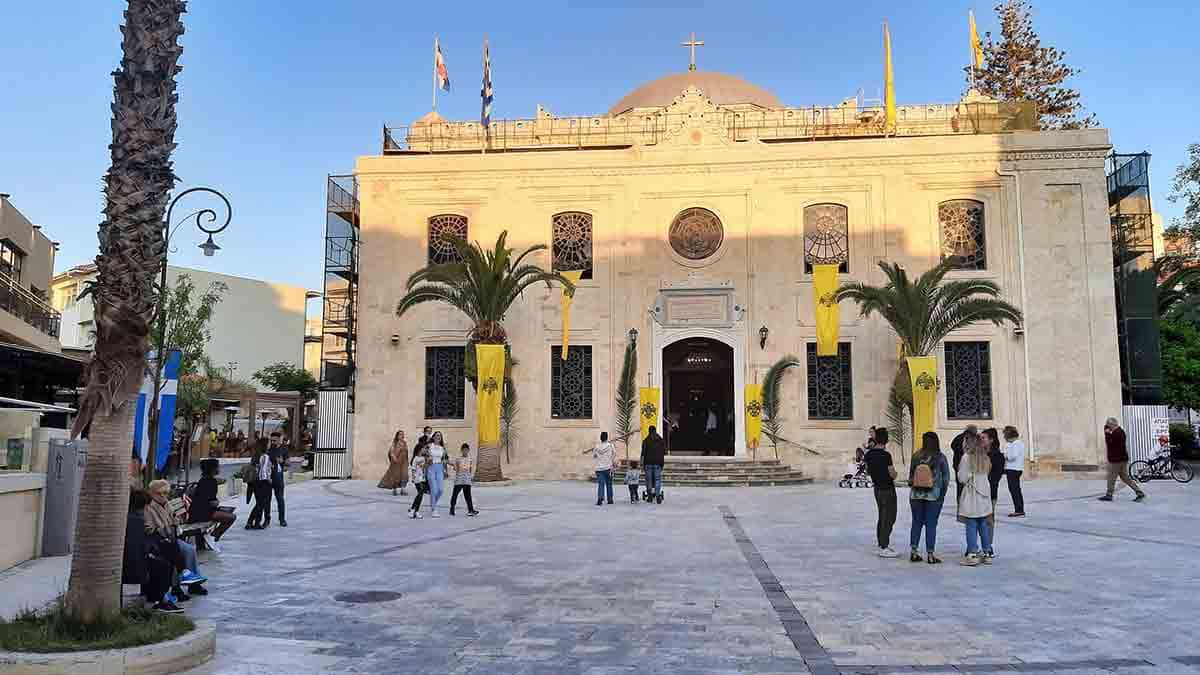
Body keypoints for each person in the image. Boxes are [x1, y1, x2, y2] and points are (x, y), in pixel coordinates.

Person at [144, 479, 208, 599]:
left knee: (189, 550)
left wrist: (173, 528)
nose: (163, 496)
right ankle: (176, 587)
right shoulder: (148, 507)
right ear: (151, 493)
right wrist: (168, 529)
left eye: (165, 493)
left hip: (171, 537)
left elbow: (175, 520)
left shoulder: (166, 504)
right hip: (157, 540)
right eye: (159, 493)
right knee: (172, 552)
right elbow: (149, 529)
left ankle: (193, 584)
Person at [125, 488, 182, 613]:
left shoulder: (132, 517)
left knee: (168, 555)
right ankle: (158, 600)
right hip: (134, 565)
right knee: (164, 565)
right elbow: (141, 545)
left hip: (135, 560)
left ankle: (163, 599)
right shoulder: (137, 520)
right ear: (144, 505)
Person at [908, 431, 950, 564]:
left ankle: (914, 552)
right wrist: (942, 494)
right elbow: (946, 478)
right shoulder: (940, 457)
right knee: (931, 524)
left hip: (915, 495)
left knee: (916, 522)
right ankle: (930, 555)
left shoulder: (916, 456)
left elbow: (910, 477)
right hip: (934, 495)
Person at [956, 430, 994, 566]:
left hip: (972, 493)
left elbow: (962, 477)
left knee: (971, 524)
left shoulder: (967, 457)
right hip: (984, 494)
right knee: (983, 523)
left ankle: (972, 553)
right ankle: (987, 552)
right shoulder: (985, 457)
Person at [864, 427, 898, 557]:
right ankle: (884, 545)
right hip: (887, 488)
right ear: (886, 440)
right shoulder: (886, 455)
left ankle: (881, 542)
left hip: (877, 488)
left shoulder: (869, 455)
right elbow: (892, 474)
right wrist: (895, 474)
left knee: (882, 515)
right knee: (889, 516)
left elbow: (867, 471)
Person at [1100, 417, 1146, 502]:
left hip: (1116, 460)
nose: (1108, 427)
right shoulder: (1119, 431)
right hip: (1122, 459)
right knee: (1125, 478)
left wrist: (1107, 434)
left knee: (1111, 477)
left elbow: (1109, 443)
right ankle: (1139, 492)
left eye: (1108, 425)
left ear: (1112, 424)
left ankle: (1109, 495)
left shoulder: (1117, 433)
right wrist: (1107, 430)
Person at [189, 458, 236, 541]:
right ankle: (214, 537)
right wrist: (217, 503)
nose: (219, 469)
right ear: (212, 469)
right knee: (231, 517)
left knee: (227, 513)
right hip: (202, 514)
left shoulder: (204, 480)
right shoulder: (211, 482)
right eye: (218, 467)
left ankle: (213, 537)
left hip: (198, 512)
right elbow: (211, 502)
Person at [982, 427, 1004, 557]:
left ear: (991, 440)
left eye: (983, 438)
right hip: (976, 493)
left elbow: (996, 477)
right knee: (975, 521)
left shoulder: (997, 456)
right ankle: (974, 545)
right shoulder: (977, 454)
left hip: (990, 493)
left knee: (988, 520)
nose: (981, 440)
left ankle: (988, 546)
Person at [585, 431, 615, 506]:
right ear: (607, 438)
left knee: (601, 484)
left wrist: (599, 455)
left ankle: (600, 498)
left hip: (599, 468)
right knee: (609, 484)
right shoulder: (611, 446)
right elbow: (614, 454)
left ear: (600, 438)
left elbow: (594, 456)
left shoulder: (596, 446)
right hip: (608, 467)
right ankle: (610, 499)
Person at [1002, 426, 1026, 517]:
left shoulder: (1015, 444)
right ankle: (1019, 509)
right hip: (1016, 469)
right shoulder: (1018, 443)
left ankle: (1019, 510)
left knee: (1014, 490)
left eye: (1005, 435)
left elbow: (1013, 456)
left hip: (1013, 469)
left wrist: (1005, 455)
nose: (1004, 437)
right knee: (1016, 490)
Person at [951, 424, 979, 505]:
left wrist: (958, 453)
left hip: (959, 464)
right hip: (967, 464)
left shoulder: (959, 437)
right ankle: (967, 503)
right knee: (970, 484)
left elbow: (952, 445)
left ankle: (960, 504)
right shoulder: (975, 438)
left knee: (960, 485)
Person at [246, 445, 273, 529]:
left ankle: (253, 522)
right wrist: (268, 479)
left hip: (254, 483)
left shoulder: (255, 456)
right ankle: (253, 522)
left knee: (259, 503)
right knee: (261, 503)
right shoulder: (265, 456)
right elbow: (264, 471)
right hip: (263, 482)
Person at [449, 443, 478, 517]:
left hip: (467, 480)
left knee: (468, 496)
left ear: (468, 450)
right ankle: (452, 508)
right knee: (455, 495)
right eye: (464, 450)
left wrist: (469, 477)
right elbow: (455, 468)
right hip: (459, 480)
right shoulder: (458, 459)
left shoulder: (470, 459)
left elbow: (470, 469)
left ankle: (470, 510)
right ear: (461, 450)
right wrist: (455, 467)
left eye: (466, 450)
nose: (465, 451)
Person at [378, 429, 410, 496]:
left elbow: (406, 452)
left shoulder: (404, 443)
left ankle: (403, 490)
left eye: (403, 434)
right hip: (396, 462)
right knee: (396, 476)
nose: (402, 436)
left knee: (404, 475)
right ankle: (395, 489)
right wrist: (394, 458)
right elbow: (391, 452)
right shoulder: (394, 443)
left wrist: (407, 461)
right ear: (397, 436)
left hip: (404, 462)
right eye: (400, 434)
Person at [267, 432, 288, 527]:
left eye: (274, 440)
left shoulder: (284, 449)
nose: (272, 442)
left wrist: (282, 461)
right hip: (268, 478)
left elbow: (288, 463)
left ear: (279, 439)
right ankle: (267, 520)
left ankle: (282, 519)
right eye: (271, 440)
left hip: (278, 477)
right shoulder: (268, 449)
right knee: (266, 500)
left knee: (280, 499)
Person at [640, 426, 666, 504]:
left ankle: (650, 496)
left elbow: (643, 453)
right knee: (657, 479)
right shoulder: (660, 440)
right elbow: (663, 452)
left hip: (648, 463)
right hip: (658, 463)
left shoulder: (646, 440)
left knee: (649, 480)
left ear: (649, 431)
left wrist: (641, 463)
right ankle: (658, 496)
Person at [424, 431, 447, 517]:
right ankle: (434, 509)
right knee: (434, 489)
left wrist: (445, 470)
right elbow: (422, 454)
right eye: (437, 435)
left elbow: (445, 459)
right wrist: (427, 459)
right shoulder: (429, 446)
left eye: (440, 436)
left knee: (440, 490)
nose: (438, 437)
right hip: (431, 467)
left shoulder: (442, 448)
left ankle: (433, 504)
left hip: (440, 468)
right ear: (433, 437)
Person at [408, 445, 429, 519]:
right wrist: (413, 477)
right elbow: (413, 469)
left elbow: (424, 467)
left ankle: (412, 509)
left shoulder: (423, 458)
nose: (424, 450)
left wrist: (427, 462)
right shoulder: (415, 458)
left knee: (420, 494)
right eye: (423, 448)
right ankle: (416, 511)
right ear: (419, 449)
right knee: (420, 493)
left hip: (422, 478)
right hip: (417, 478)